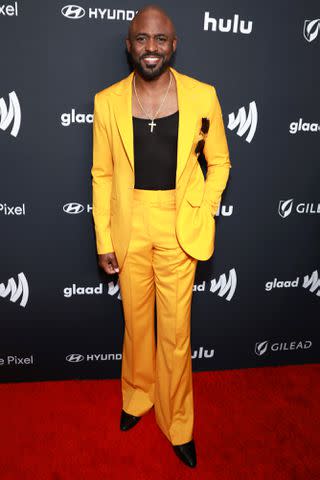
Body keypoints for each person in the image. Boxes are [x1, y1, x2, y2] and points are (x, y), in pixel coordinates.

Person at [91, 4, 231, 468]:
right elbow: (102, 174)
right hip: (130, 226)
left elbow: (220, 163)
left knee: (174, 334)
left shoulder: (203, 95)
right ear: (129, 45)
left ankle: (179, 423)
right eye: (142, 39)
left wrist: (204, 208)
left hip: (178, 225)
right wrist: (103, 238)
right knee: (136, 323)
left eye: (160, 39)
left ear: (174, 44)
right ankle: (136, 397)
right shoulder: (106, 100)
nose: (151, 48)